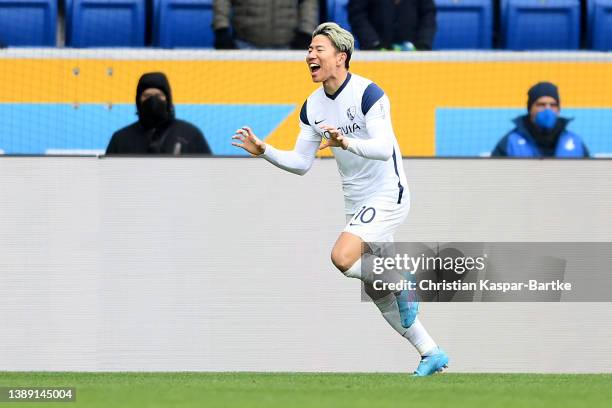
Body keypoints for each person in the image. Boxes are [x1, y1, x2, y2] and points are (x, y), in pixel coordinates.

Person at [231, 22, 448, 376]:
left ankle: (402, 280)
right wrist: (264, 150)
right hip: (356, 203)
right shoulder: (312, 106)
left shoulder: (369, 93)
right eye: (309, 50)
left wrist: (346, 142)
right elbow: (302, 163)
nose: (309, 56)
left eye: (318, 49)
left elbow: (382, 148)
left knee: (342, 257)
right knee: (376, 292)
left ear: (340, 58)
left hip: (387, 194)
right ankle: (430, 352)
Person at [106, 72, 211, 155]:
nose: (153, 100)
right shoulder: (120, 139)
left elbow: (210, 172)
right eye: (147, 96)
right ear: (138, 101)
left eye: (159, 95)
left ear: (168, 99)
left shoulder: (190, 135)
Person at [492, 82, 589, 157]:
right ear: (530, 108)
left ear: (559, 109)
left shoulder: (575, 143)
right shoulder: (510, 143)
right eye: (541, 105)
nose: (548, 109)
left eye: (553, 105)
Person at [213, 0, 319, 50]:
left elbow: (308, 2)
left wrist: (306, 32)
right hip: (244, 45)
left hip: (288, 47)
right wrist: (221, 29)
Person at [348, 0, 437, 51]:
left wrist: (422, 45)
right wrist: (373, 44)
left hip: (413, 55)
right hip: (374, 55)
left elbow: (428, 15)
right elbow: (357, 14)